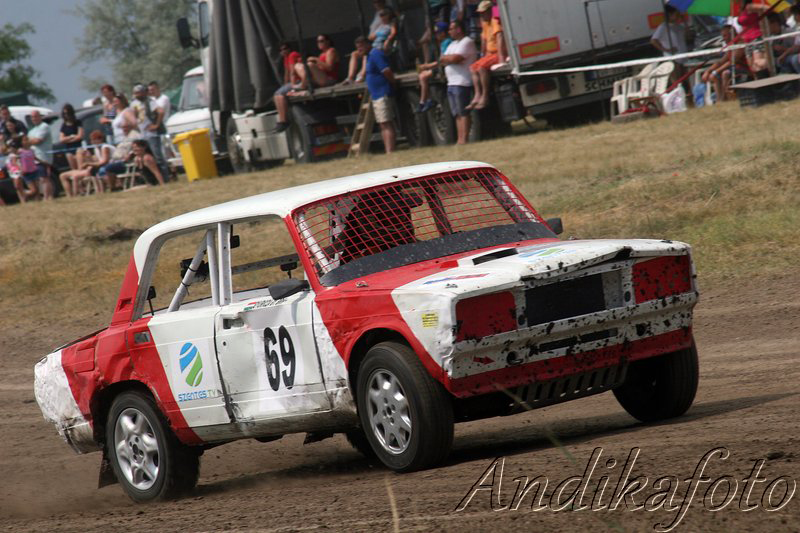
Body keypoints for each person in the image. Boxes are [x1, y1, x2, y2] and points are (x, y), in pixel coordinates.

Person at [440, 20, 477, 145]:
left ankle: (464, 139)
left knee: (463, 112)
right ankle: (460, 139)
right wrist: (448, 59)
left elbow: (456, 58)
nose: (449, 31)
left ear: (459, 29)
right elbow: (442, 59)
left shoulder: (467, 41)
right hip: (451, 83)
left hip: (462, 82)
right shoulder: (452, 44)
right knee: (456, 114)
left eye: (451, 29)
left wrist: (449, 59)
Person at [467, 0, 507, 110]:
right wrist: (483, 55)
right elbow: (484, 41)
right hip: (490, 54)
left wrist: (501, 58)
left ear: (490, 11)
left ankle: (485, 96)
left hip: (497, 53)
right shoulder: (485, 23)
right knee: (472, 67)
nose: (482, 15)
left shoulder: (495, 21)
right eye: (480, 13)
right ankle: (477, 94)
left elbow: (500, 38)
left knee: (481, 68)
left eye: (483, 12)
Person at [131, 83, 169, 181]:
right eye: (135, 93)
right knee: (146, 157)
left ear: (144, 93)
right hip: (142, 134)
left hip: (152, 134)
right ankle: (153, 179)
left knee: (158, 156)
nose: (137, 95)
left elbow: (161, 112)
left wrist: (156, 125)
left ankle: (165, 178)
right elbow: (135, 116)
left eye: (138, 92)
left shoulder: (149, 102)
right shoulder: (135, 103)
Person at [59, 130, 113, 196]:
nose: (92, 142)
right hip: (91, 168)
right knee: (63, 175)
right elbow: (96, 161)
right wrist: (88, 158)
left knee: (75, 177)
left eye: (94, 140)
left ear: (100, 139)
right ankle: (70, 195)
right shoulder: (96, 149)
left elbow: (104, 161)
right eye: (92, 140)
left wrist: (88, 163)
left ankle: (75, 195)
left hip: (105, 167)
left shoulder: (105, 147)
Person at [365, 42, 397, 154]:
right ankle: (387, 150)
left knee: (386, 123)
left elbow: (386, 70)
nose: (359, 50)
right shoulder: (369, 56)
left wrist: (393, 82)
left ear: (367, 45)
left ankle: (390, 151)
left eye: (361, 46)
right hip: (376, 95)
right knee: (382, 124)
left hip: (382, 93)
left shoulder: (375, 54)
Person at [416, 21, 453, 112]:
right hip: (441, 65)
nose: (436, 35)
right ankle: (427, 99)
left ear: (443, 33)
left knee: (423, 76)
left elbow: (442, 61)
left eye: (438, 33)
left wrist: (427, 66)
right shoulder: (442, 43)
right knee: (422, 75)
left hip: (445, 66)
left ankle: (423, 102)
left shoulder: (447, 42)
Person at [651, 5, 690, 85]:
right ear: (670, 15)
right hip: (673, 58)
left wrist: (685, 22)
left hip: (683, 56)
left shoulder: (678, 26)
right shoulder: (663, 27)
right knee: (677, 81)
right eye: (676, 14)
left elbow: (687, 36)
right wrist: (666, 49)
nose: (678, 16)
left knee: (687, 79)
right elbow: (653, 41)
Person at [273, 41, 304, 133]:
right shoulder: (286, 58)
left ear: (289, 49)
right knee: (278, 94)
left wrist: (293, 87)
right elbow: (287, 73)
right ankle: (282, 119)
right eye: (281, 50)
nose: (283, 51)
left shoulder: (292, 55)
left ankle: (283, 120)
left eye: (285, 49)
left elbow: (292, 73)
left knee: (279, 94)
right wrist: (285, 85)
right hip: (295, 81)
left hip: (299, 80)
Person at [27, 110, 55, 200]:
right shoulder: (32, 130)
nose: (34, 119)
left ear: (40, 117)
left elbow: (37, 141)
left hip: (43, 156)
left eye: (36, 116)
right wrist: (30, 141)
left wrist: (30, 141)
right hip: (35, 157)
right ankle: (48, 197)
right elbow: (27, 142)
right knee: (40, 178)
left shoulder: (44, 126)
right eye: (32, 117)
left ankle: (47, 197)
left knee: (44, 177)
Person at [737, 0, 770, 75]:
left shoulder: (749, 6)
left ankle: (770, 64)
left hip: (756, 37)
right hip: (747, 40)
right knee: (752, 66)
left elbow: (766, 8)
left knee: (758, 63)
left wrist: (761, 12)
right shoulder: (741, 10)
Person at [58, 103, 84, 170]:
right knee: (73, 169)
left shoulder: (78, 122)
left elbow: (79, 136)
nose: (66, 115)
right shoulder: (64, 125)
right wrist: (71, 137)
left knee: (80, 167)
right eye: (65, 114)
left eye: (68, 113)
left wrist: (67, 140)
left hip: (78, 148)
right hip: (69, 149)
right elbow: (61, 139)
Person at [778, 6, 800, 73]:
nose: (794, 18)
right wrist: (783, 55)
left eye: (795, 15)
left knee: (795, 59)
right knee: (783, 60)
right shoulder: (798, 28)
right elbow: (796, 46)